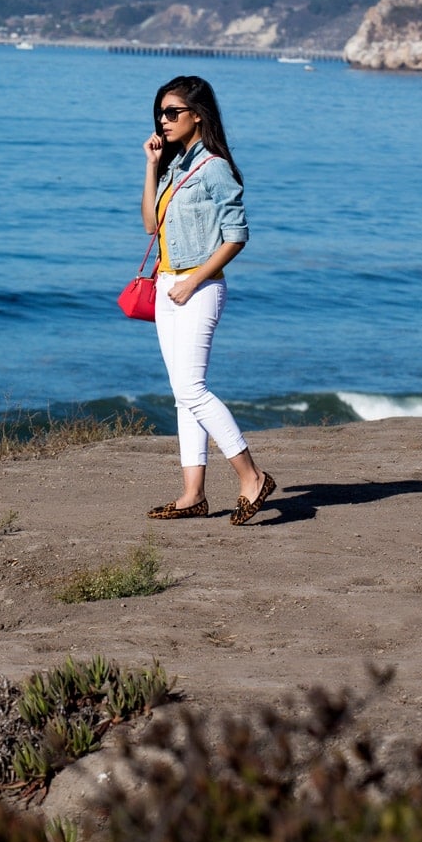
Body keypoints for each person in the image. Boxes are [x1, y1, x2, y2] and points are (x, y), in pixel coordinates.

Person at [141, 75, 275, 525]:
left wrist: (192, 281)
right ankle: (193, 494)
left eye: (172, 112)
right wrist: (152, 166)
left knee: (193, 389)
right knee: (182, 395)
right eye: (160, 113)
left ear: (197, 115)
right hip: (166, 287)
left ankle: (251, 476)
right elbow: (148, 226)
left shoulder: (215, 168)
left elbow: (237, 237)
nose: (164, 120)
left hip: (199, 289)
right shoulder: (174, 167)